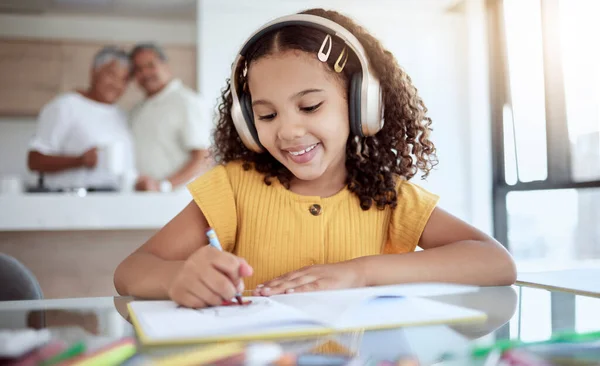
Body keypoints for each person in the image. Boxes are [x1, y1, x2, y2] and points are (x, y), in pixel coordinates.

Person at [114, 9, 516, 308]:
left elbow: (496, 262)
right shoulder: (233, 187)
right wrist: (177, 278)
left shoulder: (388, 197)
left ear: (363, 106)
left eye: (309, 106)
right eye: (267, 115)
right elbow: (130, 270)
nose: (287, 131)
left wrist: (361, 272)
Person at [28, 46, 135, 191]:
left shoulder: (121, 115)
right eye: (111, 75)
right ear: (94, 72)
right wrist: (79, 160)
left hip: (115, 202)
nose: (117, 84)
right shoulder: (66, 106)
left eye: (124, 79)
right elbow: (35, 160)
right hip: (73, 201)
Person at [129, 43, 213, 193]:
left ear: (165, 66)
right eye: (138, 69)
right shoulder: (137, 110)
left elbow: (204, 157)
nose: (145, 73)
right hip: (142, 200)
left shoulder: (187, 102)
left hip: (177, 201)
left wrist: (163, 186)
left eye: (150, 65)